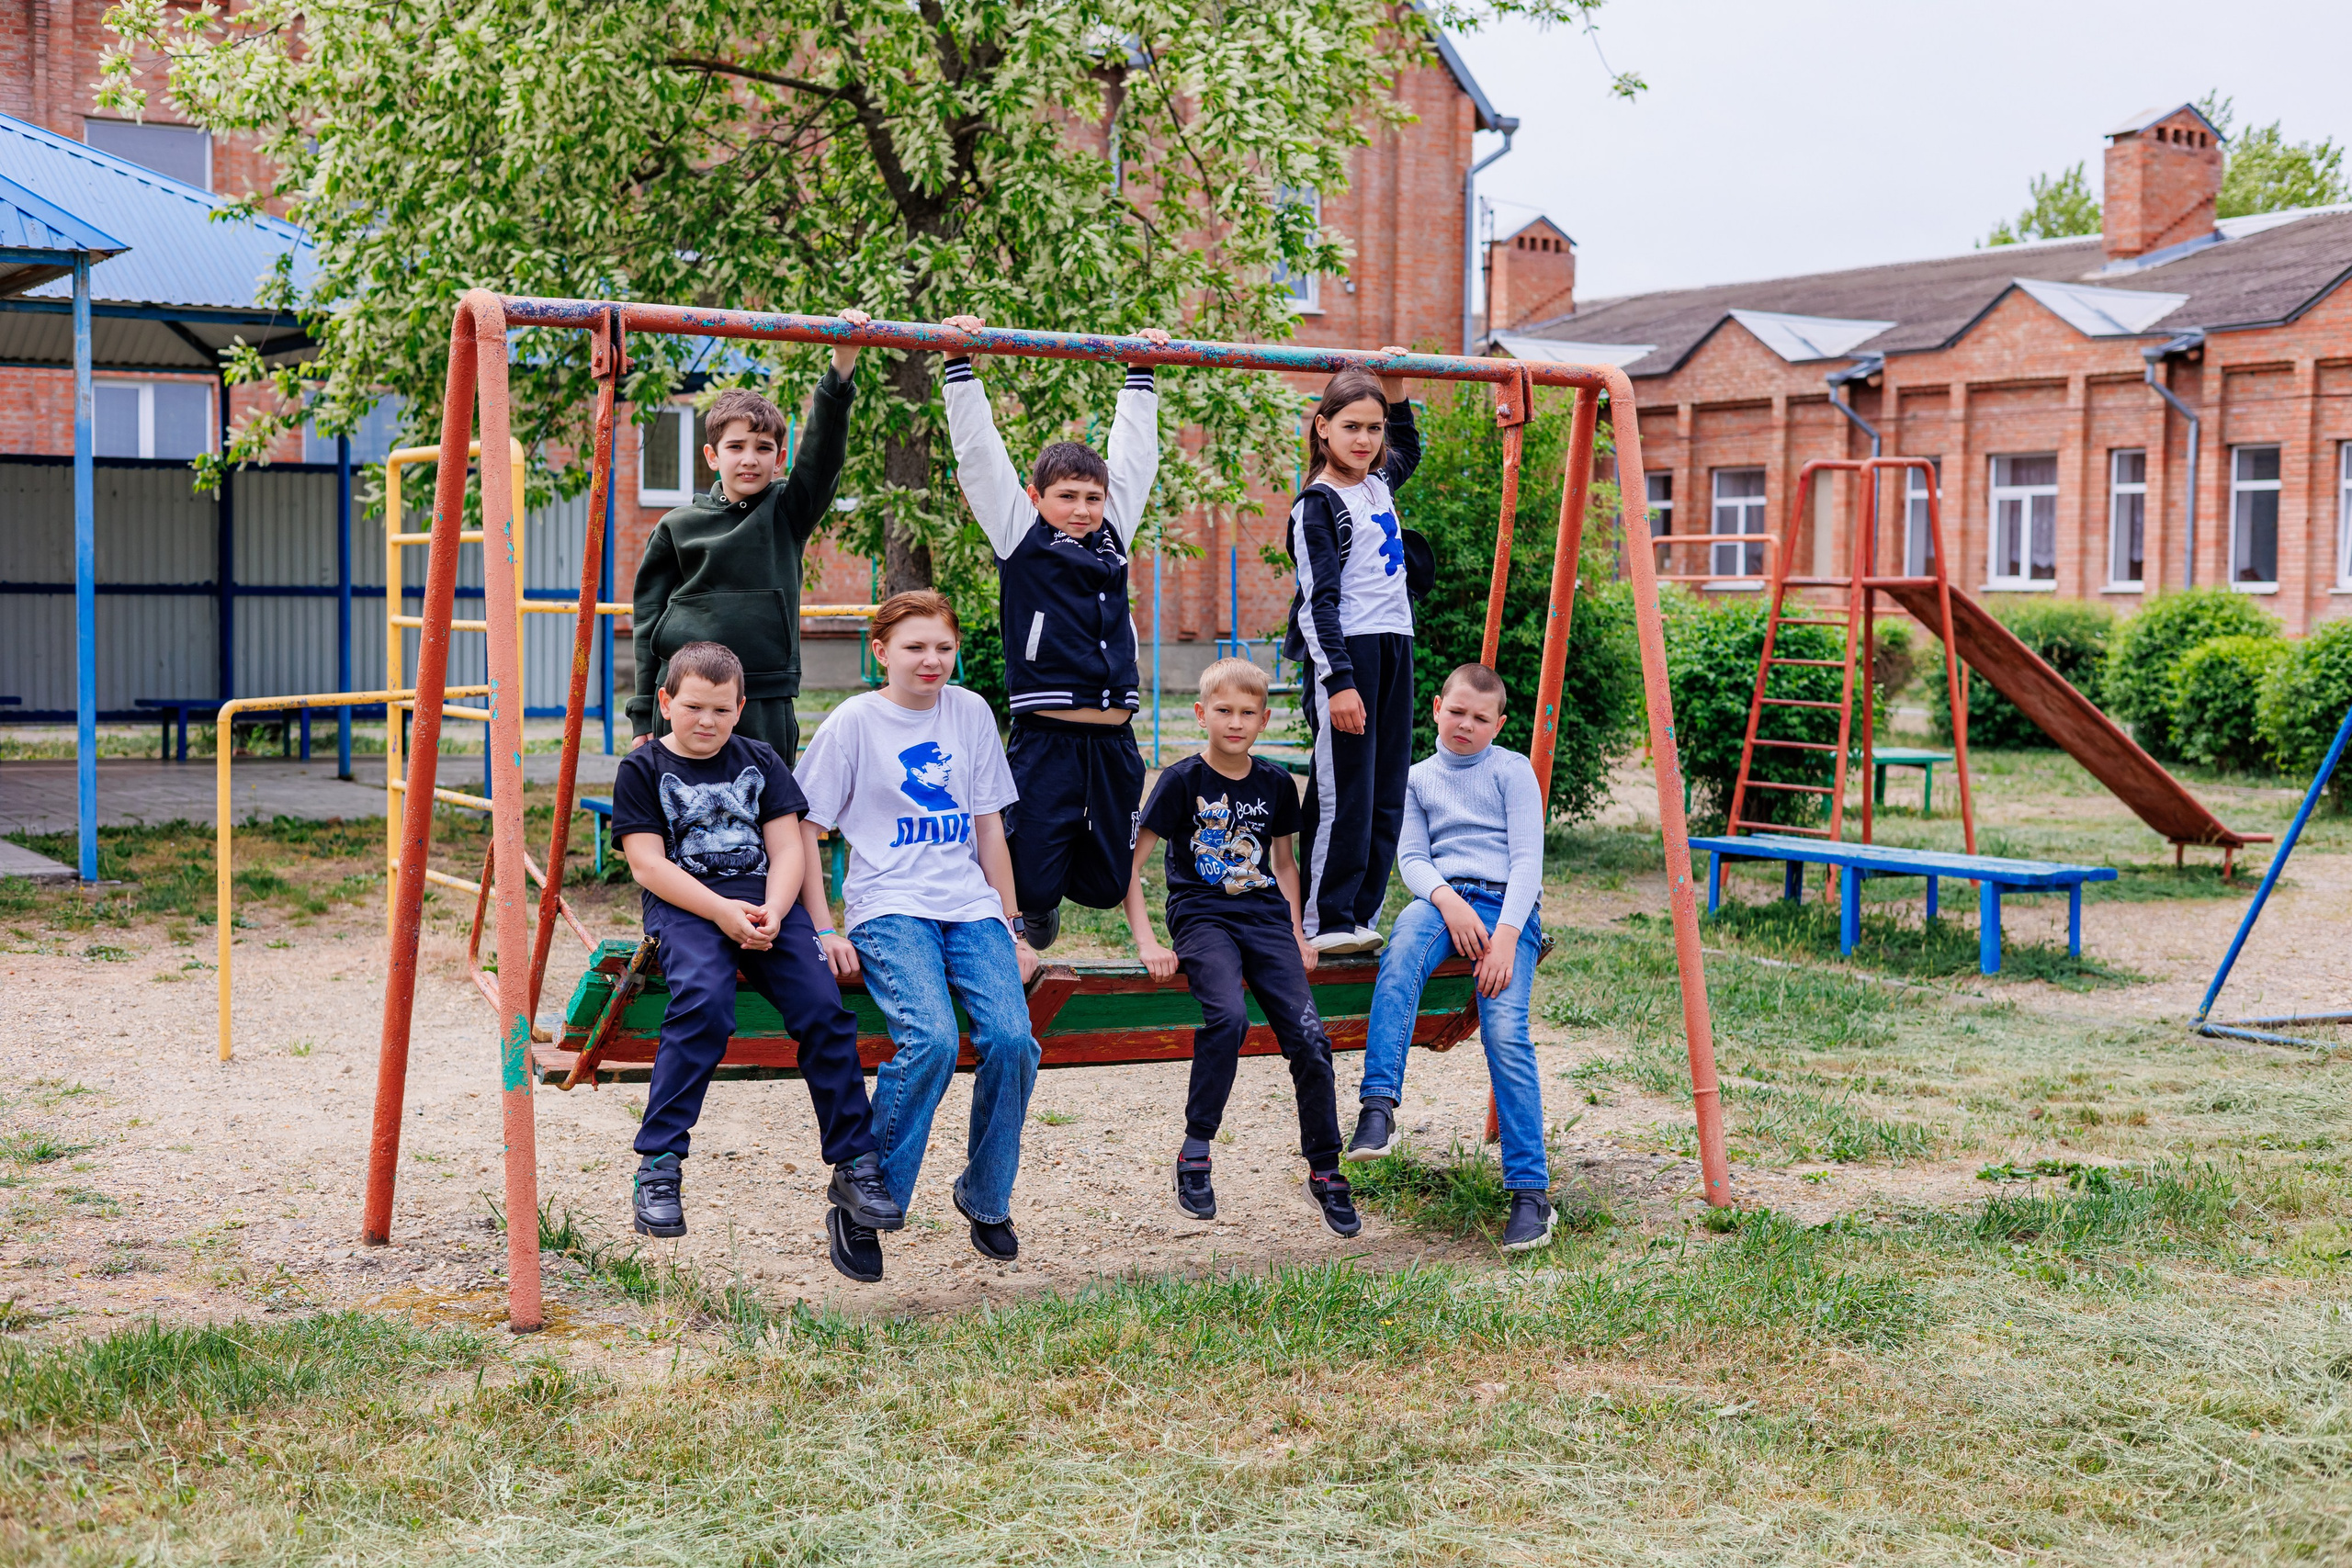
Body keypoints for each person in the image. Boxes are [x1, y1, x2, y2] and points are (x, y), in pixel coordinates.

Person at [608, 640, 904, 1282]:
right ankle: (659, 1164)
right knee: (704, 1004)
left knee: (824, 1009)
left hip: (769, 904)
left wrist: (774, 907)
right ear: (665, 702)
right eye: (692, 706)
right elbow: (647, 863)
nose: (706, 720)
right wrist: (720, 911)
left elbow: (789, 843)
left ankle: (854, 1162)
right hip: (687, 907)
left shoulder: (761, 759)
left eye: (720, 708)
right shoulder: (643, 768)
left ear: (740, 707)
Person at [795, 591, 1043, 1265]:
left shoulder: (969, 712)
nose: (932, 659)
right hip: (890, 906)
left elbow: (988, 827)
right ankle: (867, 1198)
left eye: (942, 646)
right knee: (930, 1037)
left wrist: (1013, 926)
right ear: (880, 651)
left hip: (969, 906)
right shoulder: (854, 722)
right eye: (914, 646)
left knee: (1016, 1040)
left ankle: (985, 1195)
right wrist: (824, 928)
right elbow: (804, 830)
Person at [937, 313, 1172, 952]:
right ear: (1036, 496)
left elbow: (1134, 462)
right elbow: (980, 459)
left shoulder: (1111, 532)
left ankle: (1052, 886)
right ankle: (1023, 911)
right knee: (1034, 882)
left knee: (1105, 880)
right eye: (1067, 496)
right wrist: (960, 365)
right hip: (1046, 738)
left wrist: (1141, 372)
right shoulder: (1020, 535)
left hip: (1114, 742)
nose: (1083, 509)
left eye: (1092, 498)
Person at [1122, 658, 1360, 1237]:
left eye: (1247, 713)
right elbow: (1130, 868)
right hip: (1202, 917)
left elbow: (1283, 863)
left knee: (1309, 1036)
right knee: (1227, 1018)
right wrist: (1149, 940)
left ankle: (1325, 1170)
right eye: (1223, 711)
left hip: (1267, 921)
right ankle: (1196, 1152)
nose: (1235, 722)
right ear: (1202, 713)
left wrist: (1299, 932)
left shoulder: (1277, 782)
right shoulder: (1180, 781)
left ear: (1264, 718)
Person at [1347, 663, 1555, 1250]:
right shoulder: (1416, 779)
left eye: (1481, 718)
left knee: (1505, 1032)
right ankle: (1378, 1106)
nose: (1466, 725)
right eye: (1457, 711)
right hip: (1440, 900)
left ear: (1499, 724)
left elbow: (1525, 865)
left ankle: (1530, 1193)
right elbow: (1411, 858)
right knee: (1402, 952)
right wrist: (1448, 903)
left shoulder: (1513, 772)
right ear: (1437, 707)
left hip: (1507, 911)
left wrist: (1509, 939)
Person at [628, 308, 870, 764]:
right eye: (736, 447)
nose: (750, 459)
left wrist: (842, 365)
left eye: (764, 449)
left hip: (762, 696)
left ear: (779, 459)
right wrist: (644, 715)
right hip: (684, 700)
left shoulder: (787, 512)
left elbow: (821, 457)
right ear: (712, 456)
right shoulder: (677, 527)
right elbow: (646, 625)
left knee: (765, 813)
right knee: (683, 815)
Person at [1282, 354, 1419, 954]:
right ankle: (1325, 914)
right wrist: (1338, 680)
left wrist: (1399, 383)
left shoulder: (1377, 482)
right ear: (1323, 426)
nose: (1365, 439)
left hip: (1396, 643)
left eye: (1374, 427)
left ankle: (1361, 911)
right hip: (1349, 651)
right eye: (1352, 427)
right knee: (1346, 788)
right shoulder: (1318, 503)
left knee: (1388, 785)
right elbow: (1318, 602)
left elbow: (1408, 446)